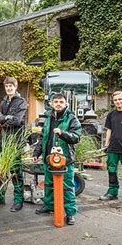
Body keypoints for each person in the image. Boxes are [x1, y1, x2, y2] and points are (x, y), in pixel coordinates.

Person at [33, 93, 81, 225]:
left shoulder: (71, 118)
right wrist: (36, 153)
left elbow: (76, 137)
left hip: (64, 159)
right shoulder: (48, 117)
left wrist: (62, 133)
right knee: (48, 184)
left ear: (66, 103)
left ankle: (70, 213)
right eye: (56, 102)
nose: (58, 104)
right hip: (49, 158)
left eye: (61, 101)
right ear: (51, 104)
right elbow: (43, 137)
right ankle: (49, 206)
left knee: (67, 187)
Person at [0, 77, 27, 212]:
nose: (9, 88)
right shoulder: (4, 102)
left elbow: (18, 121)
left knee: (16, 171)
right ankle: (0, 197)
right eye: (7, 86)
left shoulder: (21, 102)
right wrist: (6, 117)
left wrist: (4, 119)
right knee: (1, 170)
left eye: (11, 86)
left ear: (16, 86)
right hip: (3, 140)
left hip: (14, 142)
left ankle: (19, 200)